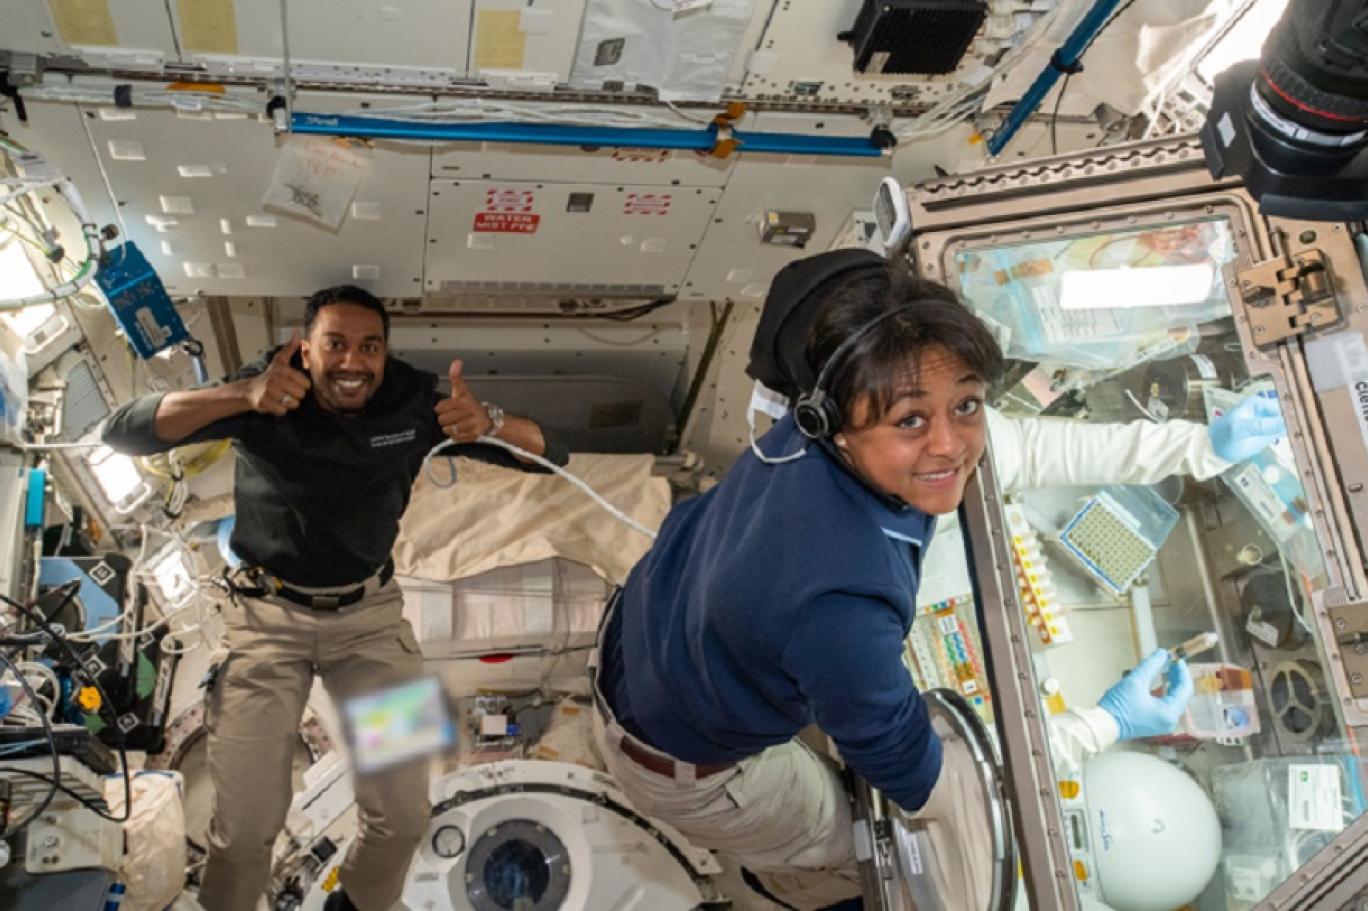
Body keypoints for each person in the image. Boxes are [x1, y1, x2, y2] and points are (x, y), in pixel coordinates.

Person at [591, 249, 1284, 911]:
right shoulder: (838, 605)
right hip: (681, 760)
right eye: (912, 420)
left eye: (967, 405)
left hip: (646, 632)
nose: (950, 445)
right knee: (858, 838)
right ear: (836, 425)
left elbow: (1027, 445)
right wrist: (1108, 723)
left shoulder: (813, 426)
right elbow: (939, 784)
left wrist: (1201, 446)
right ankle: (776, 892)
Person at [102, 285, 569, 911]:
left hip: (369, 625)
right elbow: (122, 432)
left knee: (403, 816)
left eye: (369, 347)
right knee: (244, 833)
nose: (353, 362)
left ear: (385, 354)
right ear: (305, 348)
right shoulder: (266, 390)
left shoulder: (412, 403)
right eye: (336, 344)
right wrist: (241, 395)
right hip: (266, 623)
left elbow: (552, 455)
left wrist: (491, 424)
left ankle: (355, 904)